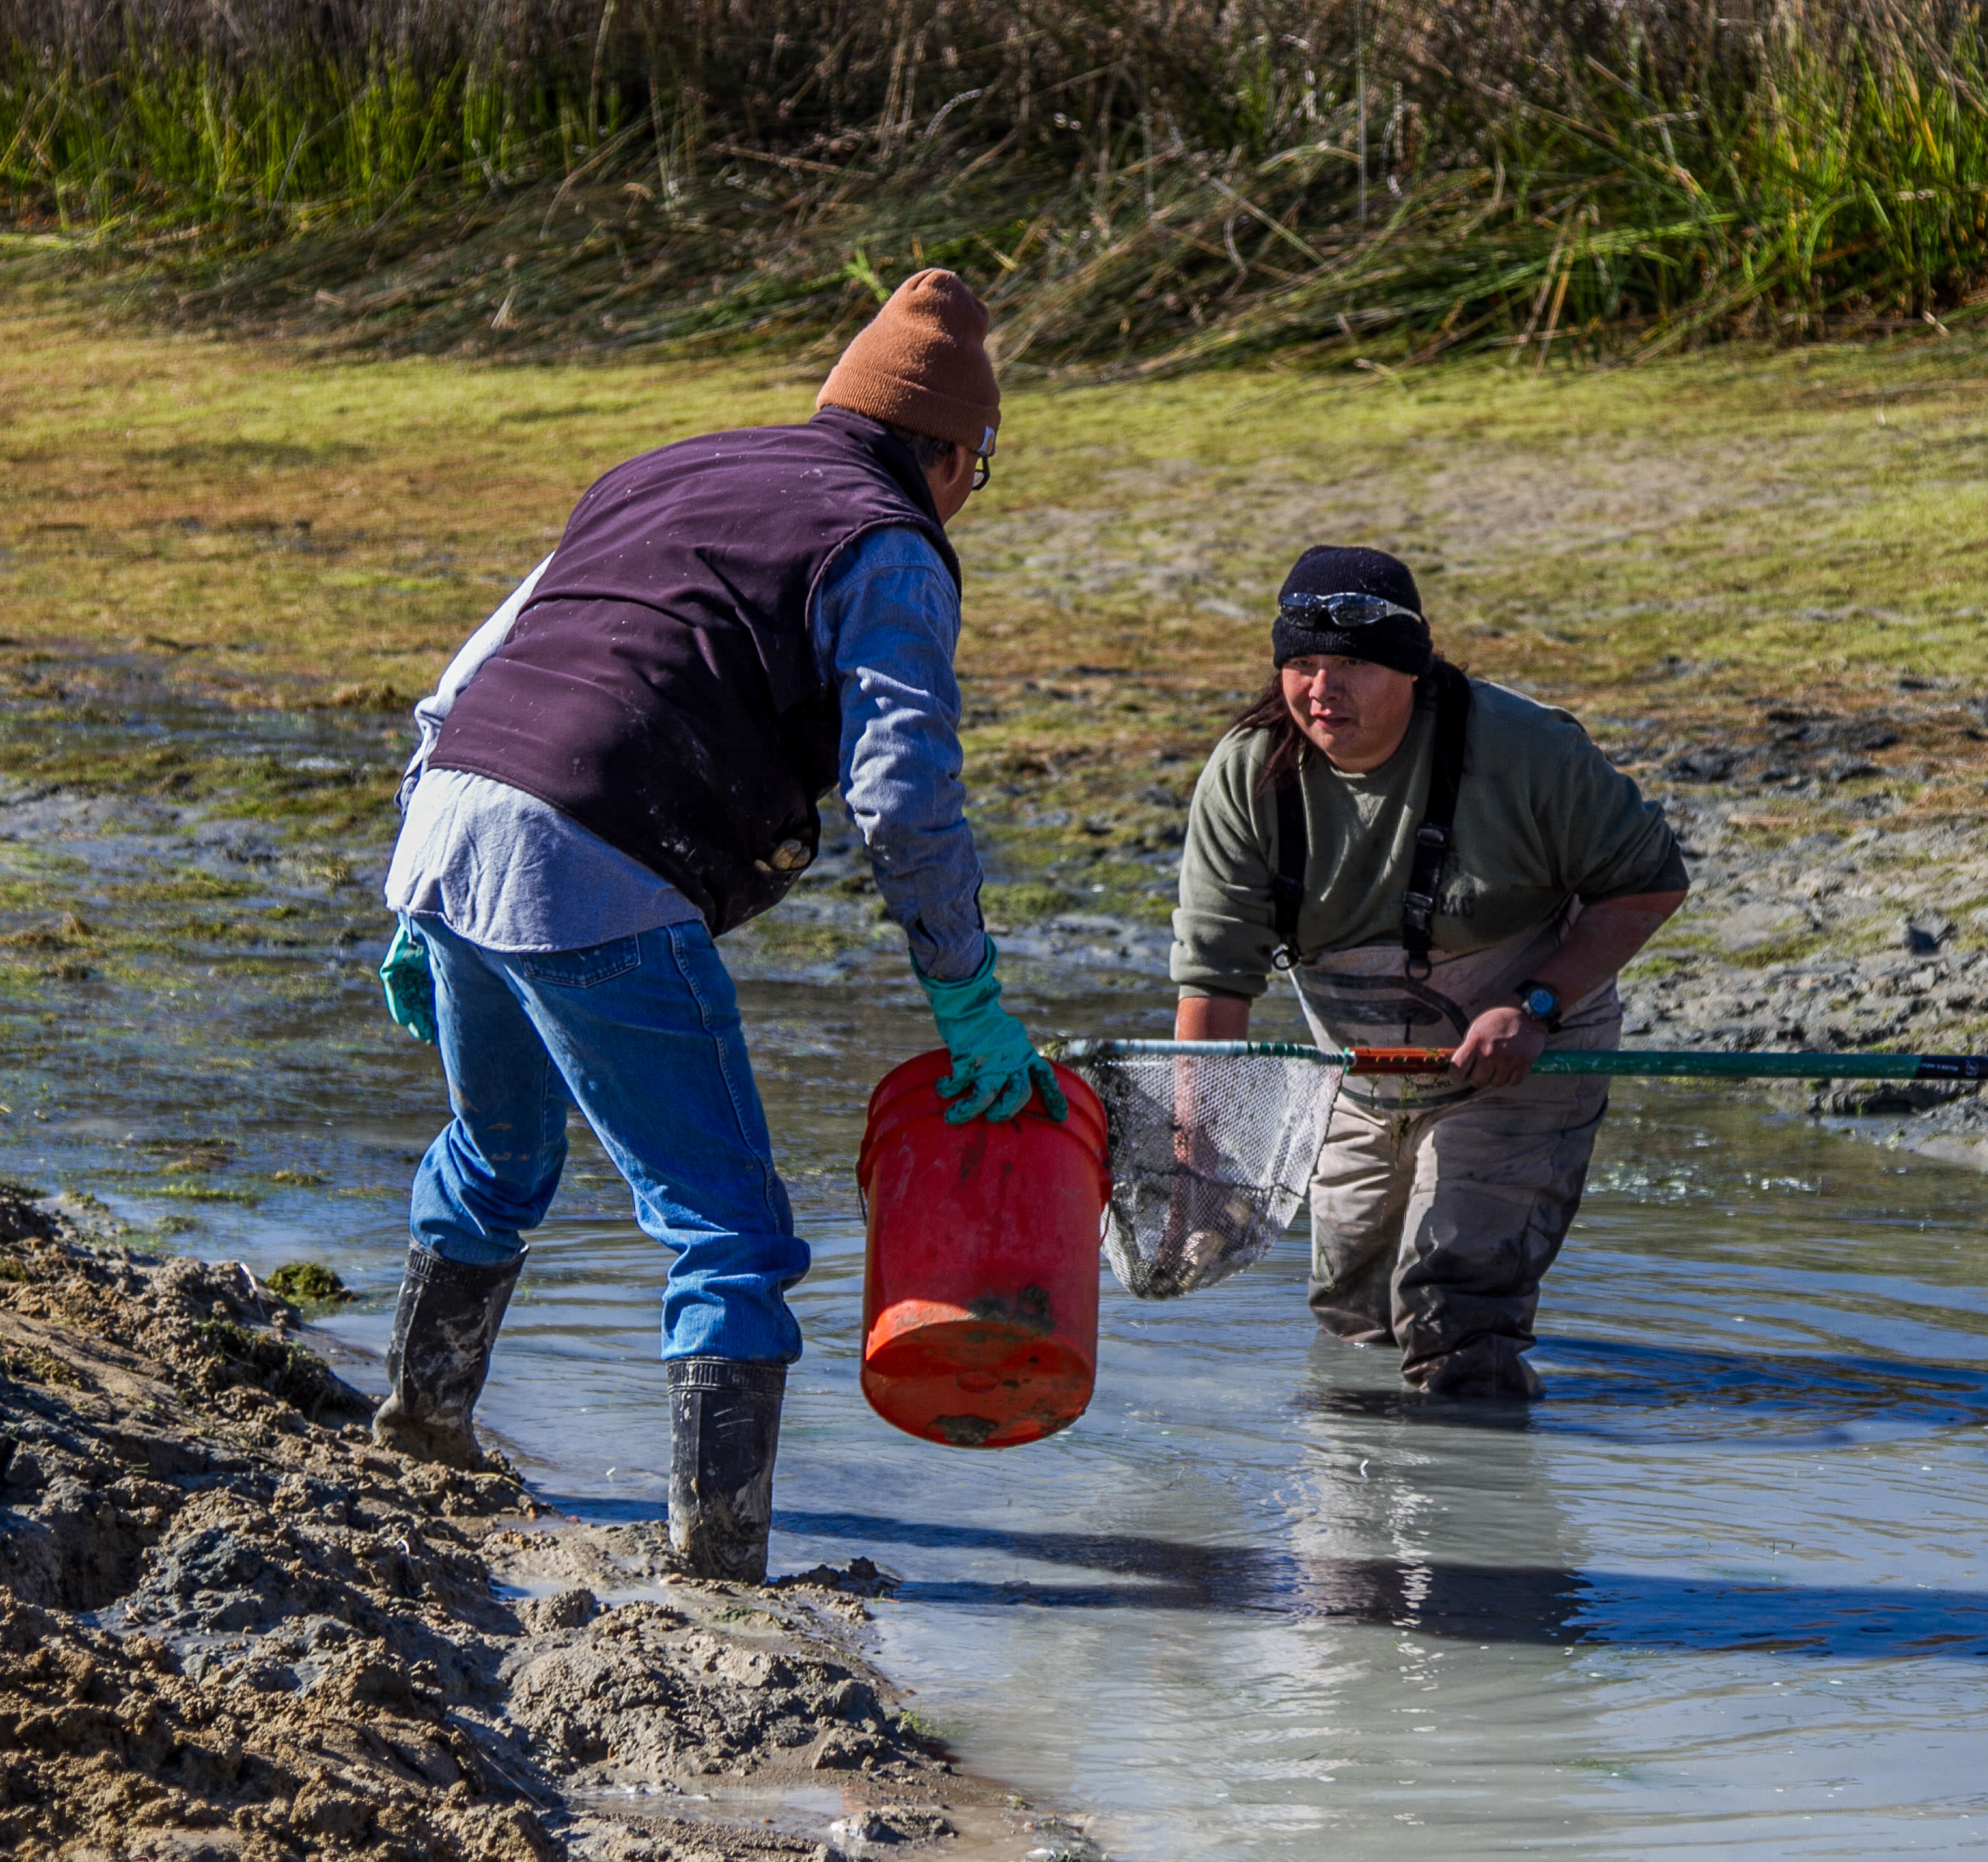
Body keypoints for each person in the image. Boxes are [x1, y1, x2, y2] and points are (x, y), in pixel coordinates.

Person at [371, 269, 1065, 1582]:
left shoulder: (661, 468)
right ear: (957, 455)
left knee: (498, 1148)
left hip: (453, 823)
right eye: (983, 468)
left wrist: (413, 896)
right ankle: (716, 1563)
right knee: (727, 1229)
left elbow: (462, 680)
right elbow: (904, 792)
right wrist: (964, 990)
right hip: (593, 853)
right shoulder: (888, 544)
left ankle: (419, 1424)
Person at [1169, 545, 1689, 1399]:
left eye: (1352, 666)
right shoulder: (1247, 776)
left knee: (1453, 1313)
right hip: (1363, 1073)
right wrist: (1199, 1139)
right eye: (1301, 664)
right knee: (1352, 1315)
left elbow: (1652, 883)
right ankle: (1353, 1518)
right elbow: (1216, 981)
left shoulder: (1526, 749)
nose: (1321, 691)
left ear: (1412, 668)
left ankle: (1478, 1512)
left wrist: (1537, 1004)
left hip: (1525, 1054)